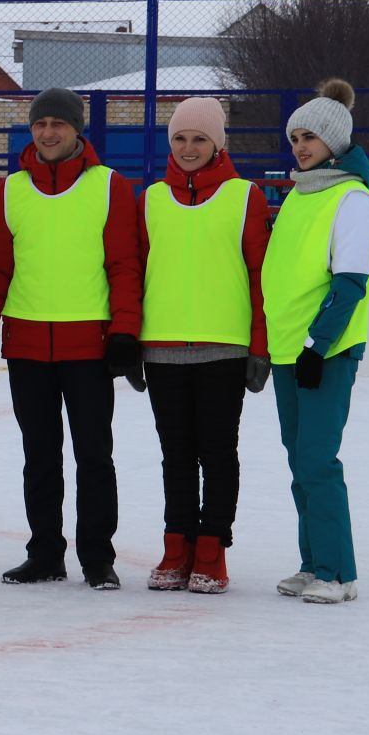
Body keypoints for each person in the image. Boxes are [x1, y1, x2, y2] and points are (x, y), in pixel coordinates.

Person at [0, 86, 143, 590]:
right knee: (39, 457)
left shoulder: (108, 186)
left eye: (58, 125)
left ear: (76, 131)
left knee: (94, 456)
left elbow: (124, 265)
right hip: (25, 345)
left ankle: (96, 557)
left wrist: (125, 332)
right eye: (40, 125)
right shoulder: (12, 189)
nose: (48, 133)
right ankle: (45, 552)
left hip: (88, 345)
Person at [137, 96, 271, 593]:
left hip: (225, 347)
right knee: (175, 452)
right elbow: (133, 274)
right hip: (164, 347)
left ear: (218, 144)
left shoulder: (245, 196)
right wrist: (131, 340)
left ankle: (211, 550)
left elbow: (261, 278)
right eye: (180, 138)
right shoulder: (150, 199)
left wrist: (260, 347)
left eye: (200, 139)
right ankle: (177, 546)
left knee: (217, 451)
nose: (189, 148)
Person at [264, 80, 369, 606]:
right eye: (295, 138)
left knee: (317, 461)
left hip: (323, 352)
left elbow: (349, 282)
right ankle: (313, 564)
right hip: (289, 349)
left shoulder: (352, 198)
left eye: (310, 137)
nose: (301, 147)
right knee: (297, 461)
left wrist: (317, 345)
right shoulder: (299, 194)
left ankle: (338, 571)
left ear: (336, 140)